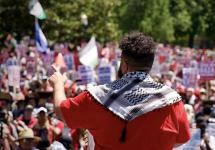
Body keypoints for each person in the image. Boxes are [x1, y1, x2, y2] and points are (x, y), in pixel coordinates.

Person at [49, 32, 191, 150]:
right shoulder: (172, 101)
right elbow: (180, 140)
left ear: (124, 63)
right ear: (150, 64)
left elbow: (61, 111)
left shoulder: (97, 97)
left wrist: (58, 83)